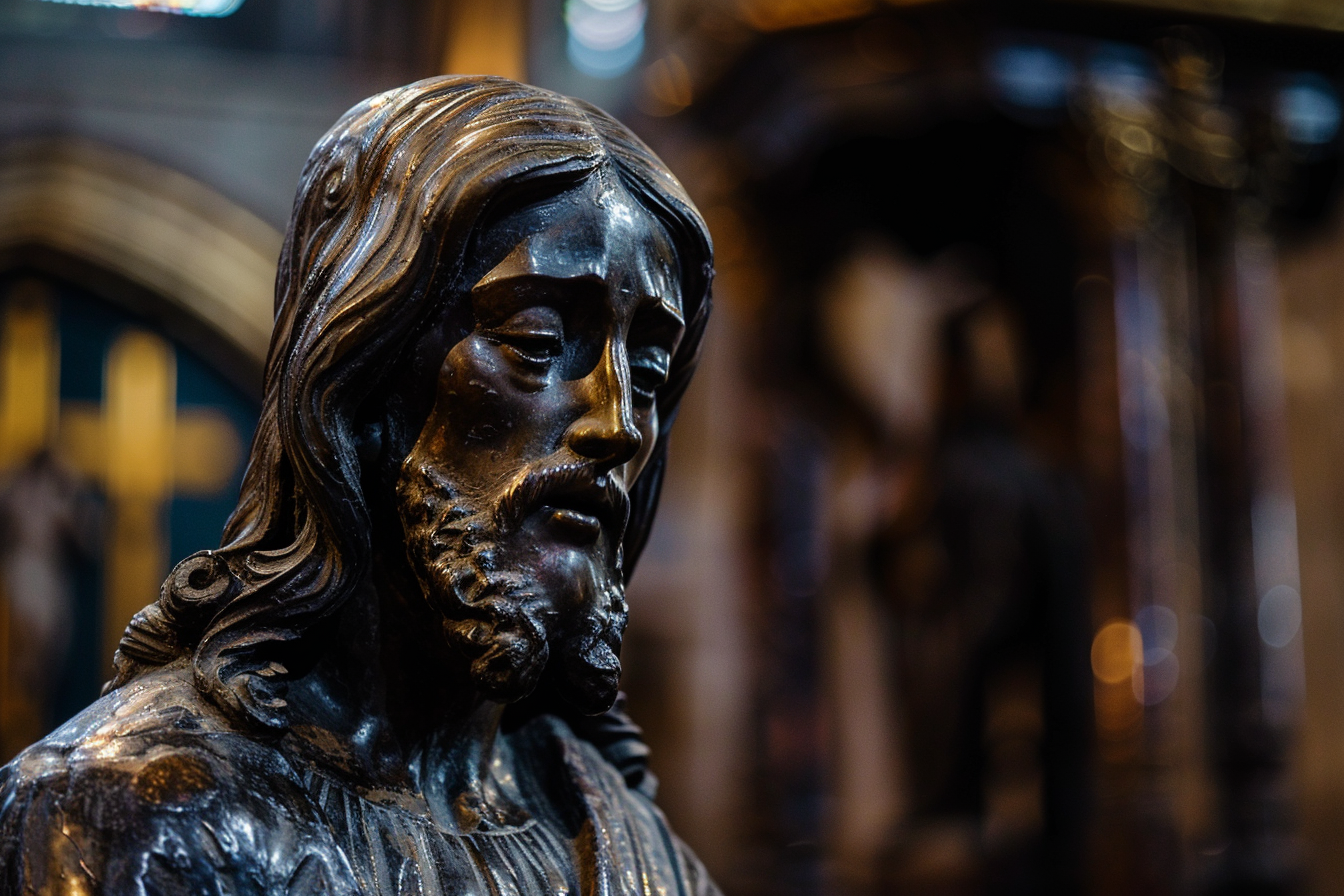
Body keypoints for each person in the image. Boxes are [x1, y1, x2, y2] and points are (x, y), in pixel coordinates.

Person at [0, 76, 717, 895]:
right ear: (360, 379)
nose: (619, 422)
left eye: (652, 373)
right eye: (538, 340)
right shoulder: (137, 819)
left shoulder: (633, 848)